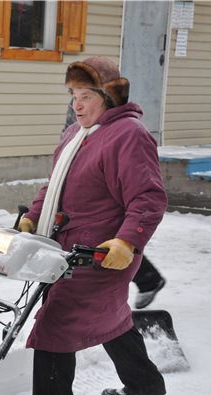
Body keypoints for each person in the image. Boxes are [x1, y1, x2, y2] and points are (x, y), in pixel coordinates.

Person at [18, 56, 167, 395]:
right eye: (72, 95)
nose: (76, 104)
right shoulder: (77, 135)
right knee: (112, 319)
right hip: (66, 250)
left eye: (85, 95)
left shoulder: (129, 135)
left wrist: (127, 243)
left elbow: (147, 197)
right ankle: (147, 390)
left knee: (54, 330)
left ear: (109, 96)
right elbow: (55, 185)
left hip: (100, 255)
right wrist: (32, 216)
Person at [64, 100, 167, 310]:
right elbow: (71, 132)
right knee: (105, 243)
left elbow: (148, 195)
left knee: (110, 241)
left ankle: (147, 281)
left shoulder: (123, 125)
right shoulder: (78, 105)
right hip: (87, 174)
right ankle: (146, 281)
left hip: (105, 180)